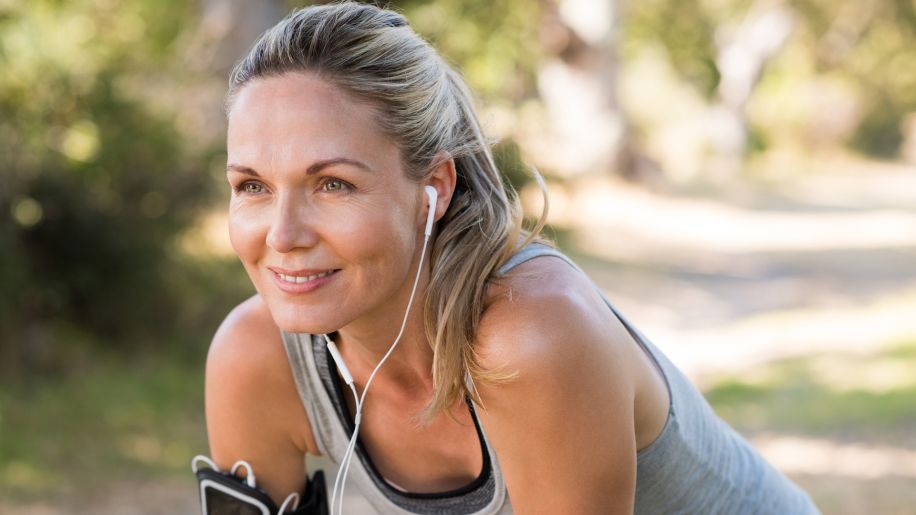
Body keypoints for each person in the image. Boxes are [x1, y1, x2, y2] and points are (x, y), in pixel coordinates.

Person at [203, 2, 820, 514]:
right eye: (252, 186)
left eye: (333, 184)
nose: (281, 235)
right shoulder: (255, 359)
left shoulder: (531, 335)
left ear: (435, 187)